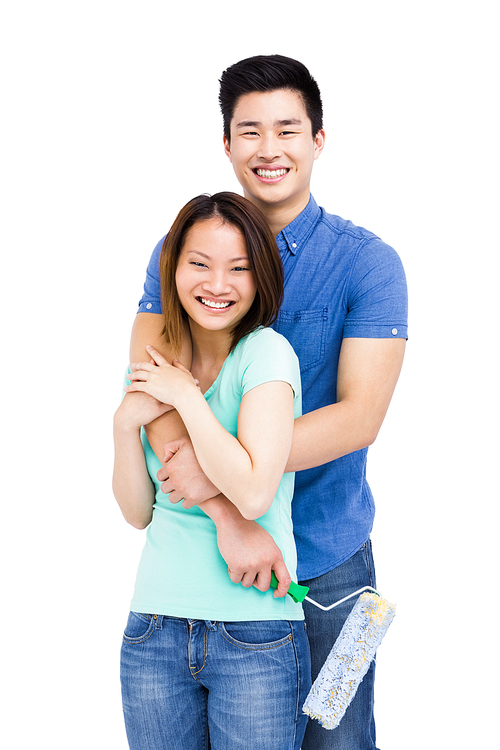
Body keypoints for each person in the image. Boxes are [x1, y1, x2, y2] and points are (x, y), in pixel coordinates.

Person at [130, 55, 408, 750]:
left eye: (287, 128)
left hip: (331, 564)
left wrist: (228, 473)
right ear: (226, 144)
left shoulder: (369, 263)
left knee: (341, 738)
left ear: (319, 138)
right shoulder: (182, 249)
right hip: (210, 567)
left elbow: (359, 416)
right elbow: (150, 376)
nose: (268, 148)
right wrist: (226, 506)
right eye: (249, 131)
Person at [114, 192, 311, 750]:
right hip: (152, 626)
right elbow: (136, 513)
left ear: (260, 278)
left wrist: (186, 398)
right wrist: (123, 429)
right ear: (173, 269)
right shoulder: (154, 363)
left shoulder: (267, 355)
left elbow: (251, 493)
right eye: (199, 264)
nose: (217, 284)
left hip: (255, 631)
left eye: (239, 268)